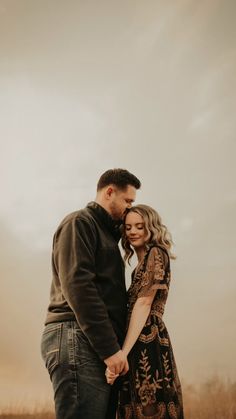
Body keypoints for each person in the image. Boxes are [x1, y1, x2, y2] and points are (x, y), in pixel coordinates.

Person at [40, 168, 141, 419]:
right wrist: (110, 349)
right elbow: (79, 286)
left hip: (87, 340)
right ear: (109, 192)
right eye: (128, 201)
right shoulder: (80, 223)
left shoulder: (105, 234)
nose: (130, 208)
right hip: (75, 336)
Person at [106, 204, 184, 418]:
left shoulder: (156, 253)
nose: (132, 231)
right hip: (136, 338)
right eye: (128, 227)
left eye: (139, 226)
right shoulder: (138, 265)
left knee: (150, 407)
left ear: (151, 227)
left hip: (148, 339)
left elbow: (143, 304)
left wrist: (122, 353)